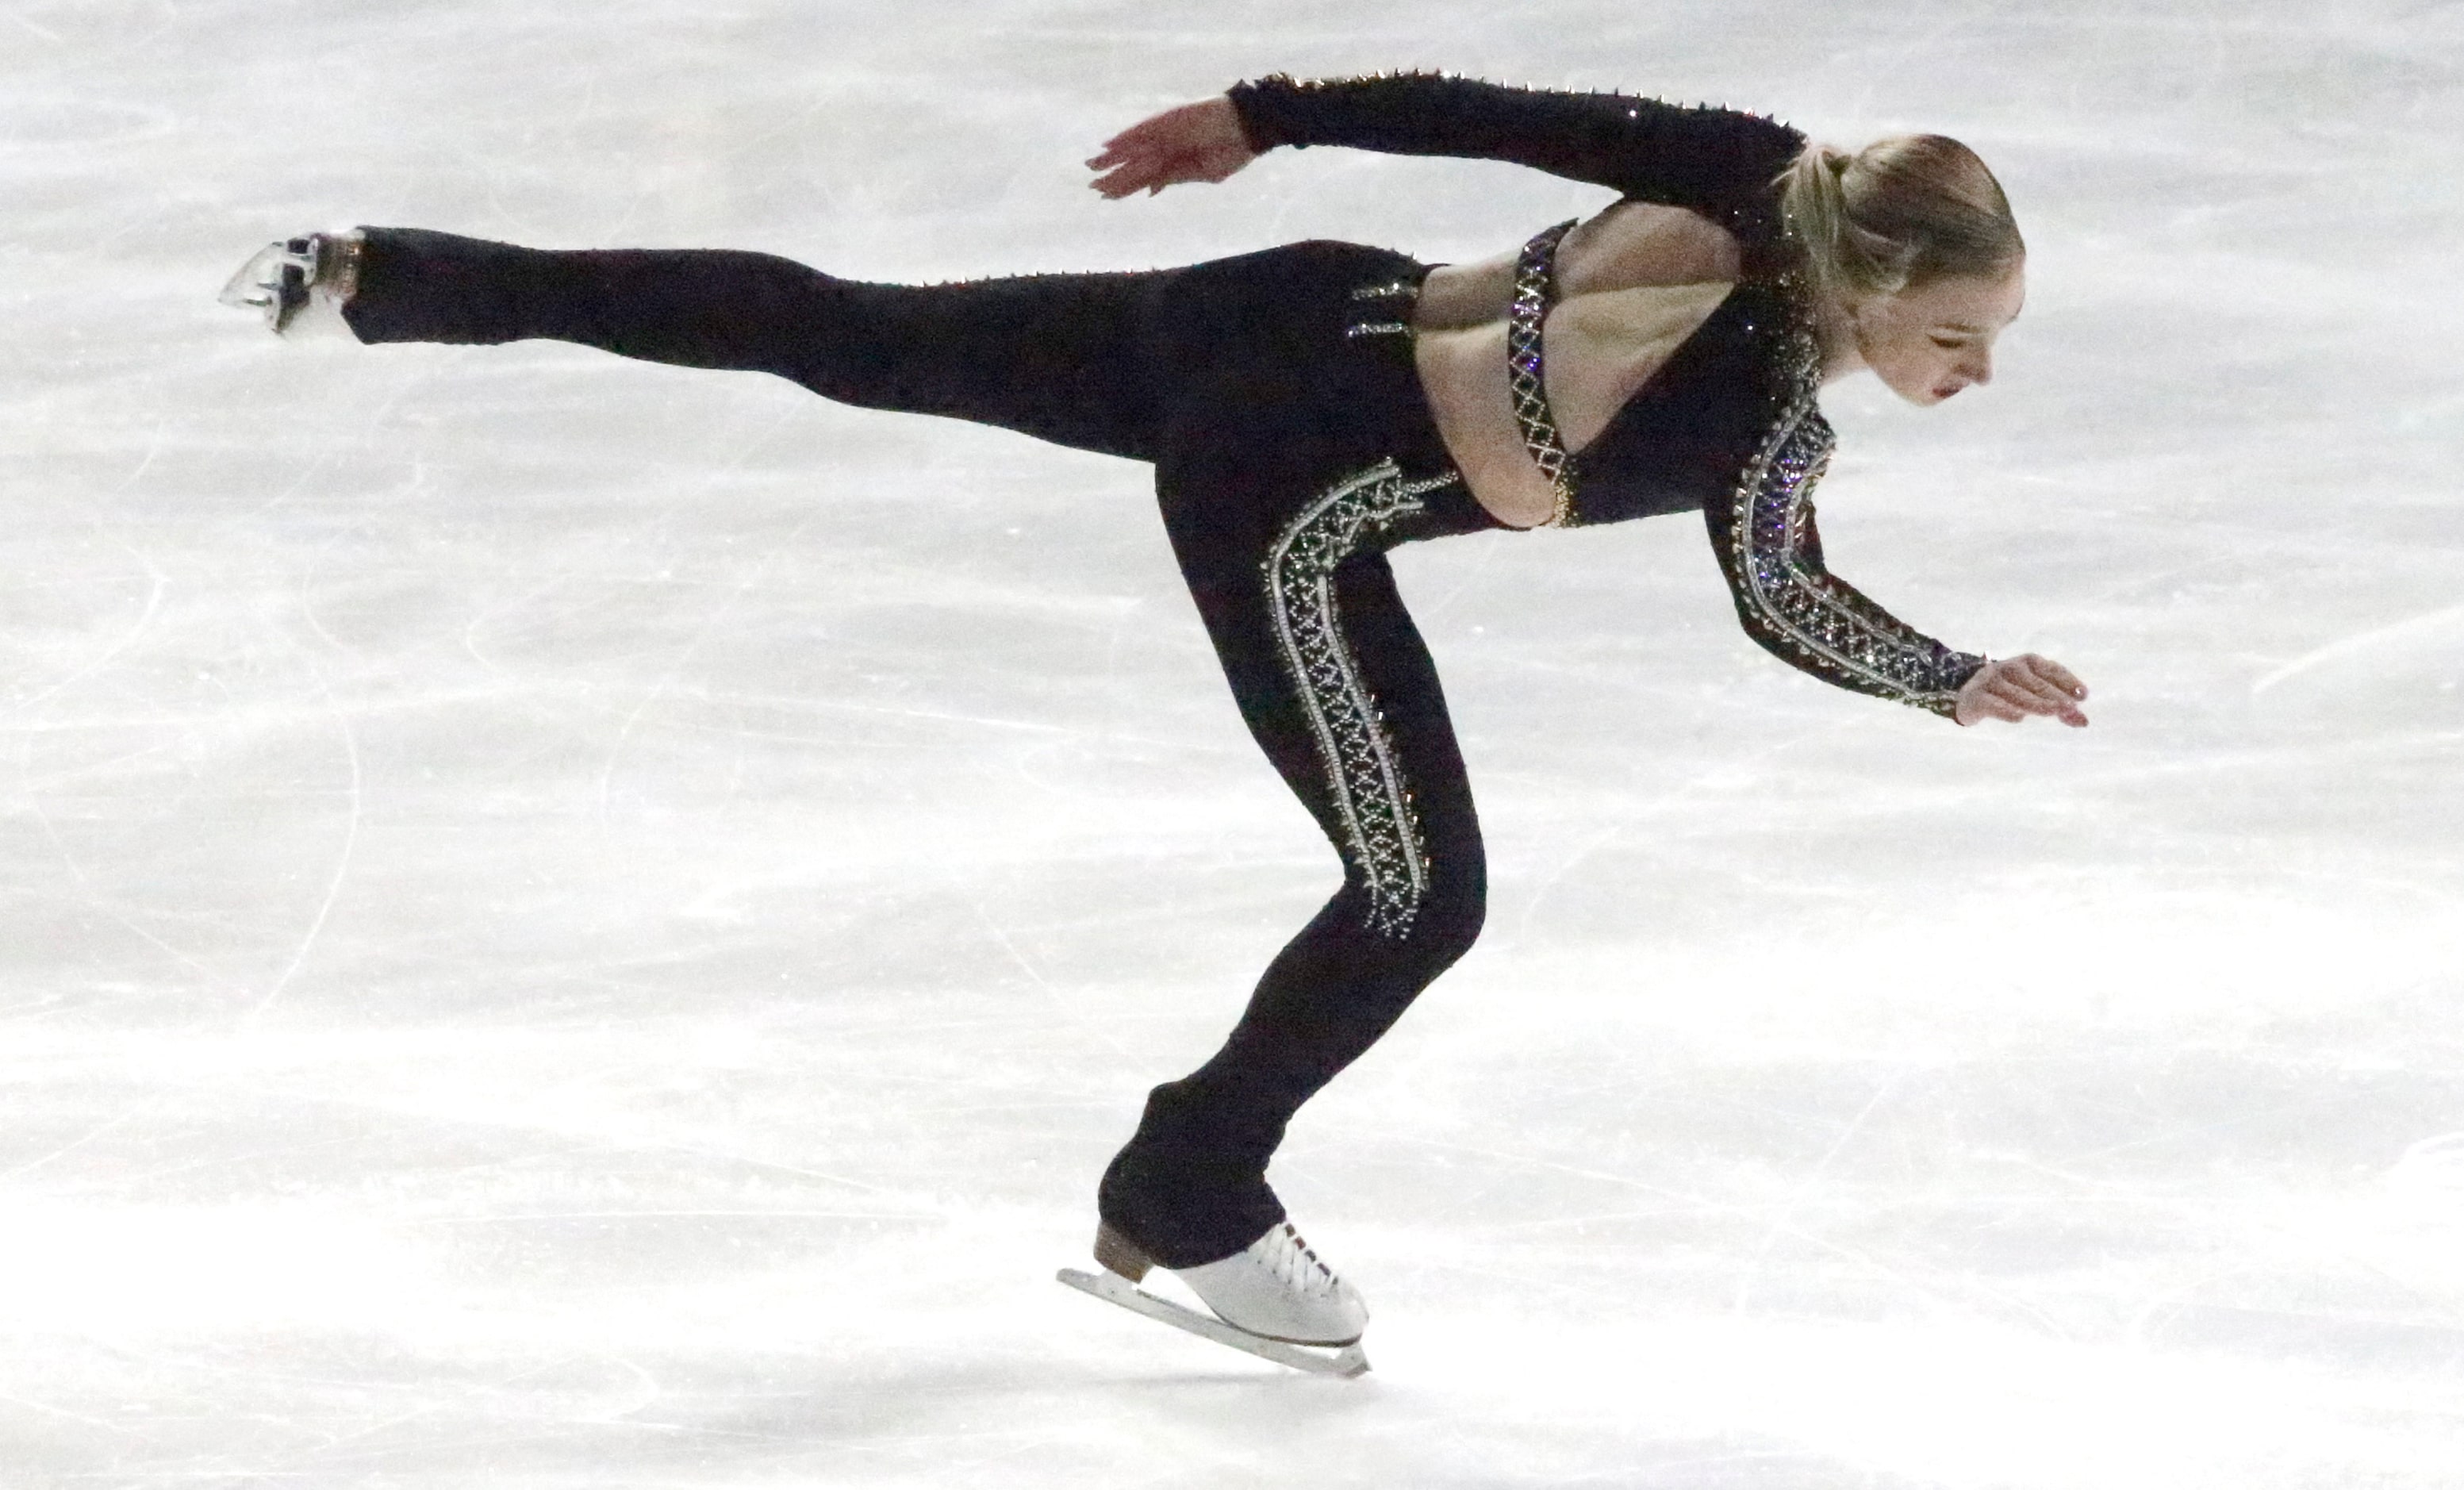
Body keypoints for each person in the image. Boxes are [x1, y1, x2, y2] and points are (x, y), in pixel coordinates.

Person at [220, 72, 2088, 1355]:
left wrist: (1256, 120)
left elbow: (1507, 145)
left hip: (1263, 319)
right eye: (1961, 335)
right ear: (1881, 280)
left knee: (850, 329)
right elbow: (1760, 564)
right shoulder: (1759, 327)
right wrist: (1939, 675)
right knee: (1414, 898)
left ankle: (390, 280)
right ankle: (1189, 1184)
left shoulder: (1762, 273)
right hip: (1292, 490)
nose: (1976, 373)